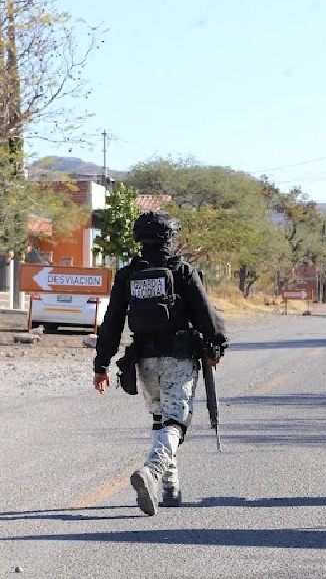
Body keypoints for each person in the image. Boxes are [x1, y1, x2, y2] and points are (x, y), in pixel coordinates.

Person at [92, 211, 228, 516]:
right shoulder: (182, 271)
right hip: (179, 358)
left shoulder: (127, 275)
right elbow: (207, 315)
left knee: (160, 420)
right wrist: (216, 347)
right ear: (170, 238)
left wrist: (101, 366)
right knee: (175, 422)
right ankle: (152, 471)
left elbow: (112, 323)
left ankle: (170, 490)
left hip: (144, 360)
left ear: (139, 240)